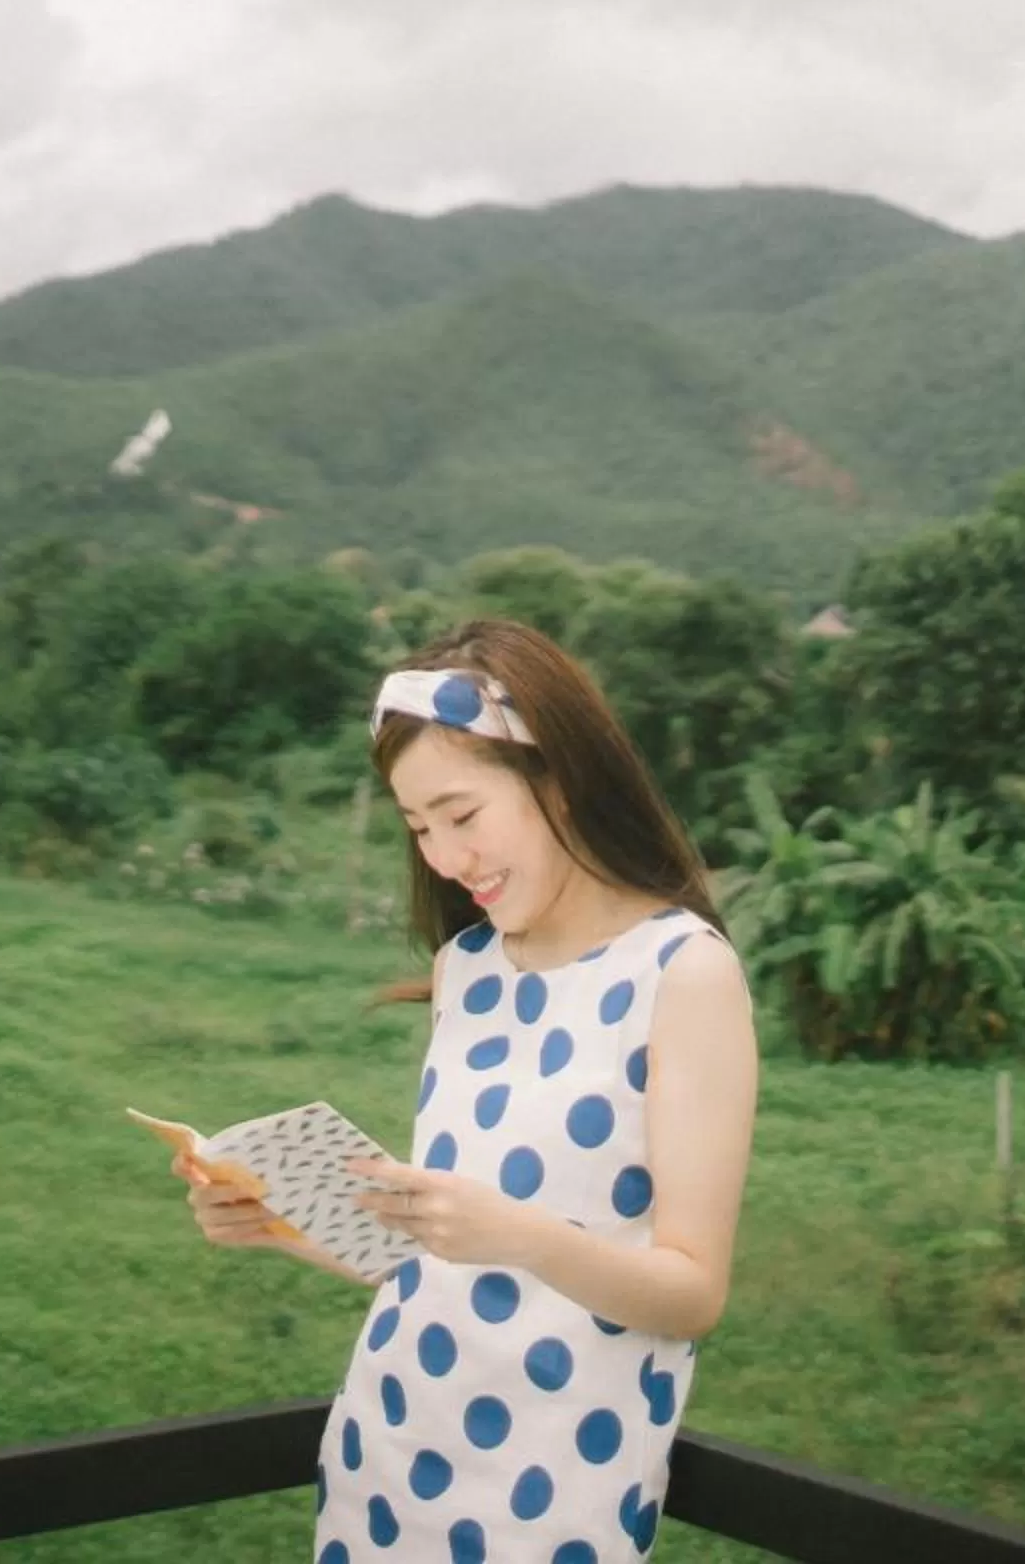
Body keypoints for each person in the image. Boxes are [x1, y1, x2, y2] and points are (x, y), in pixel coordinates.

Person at [176, 616, 760, 1562]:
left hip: (557, 1482)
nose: (446, 859)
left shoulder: (683, 974)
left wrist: (519, 1235)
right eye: (418, 828)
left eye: (462, 815)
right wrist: (276, 1217)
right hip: (391, 1435)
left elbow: (693, 1293)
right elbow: (438, 1260)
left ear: (559, 779)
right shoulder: (467, 968)